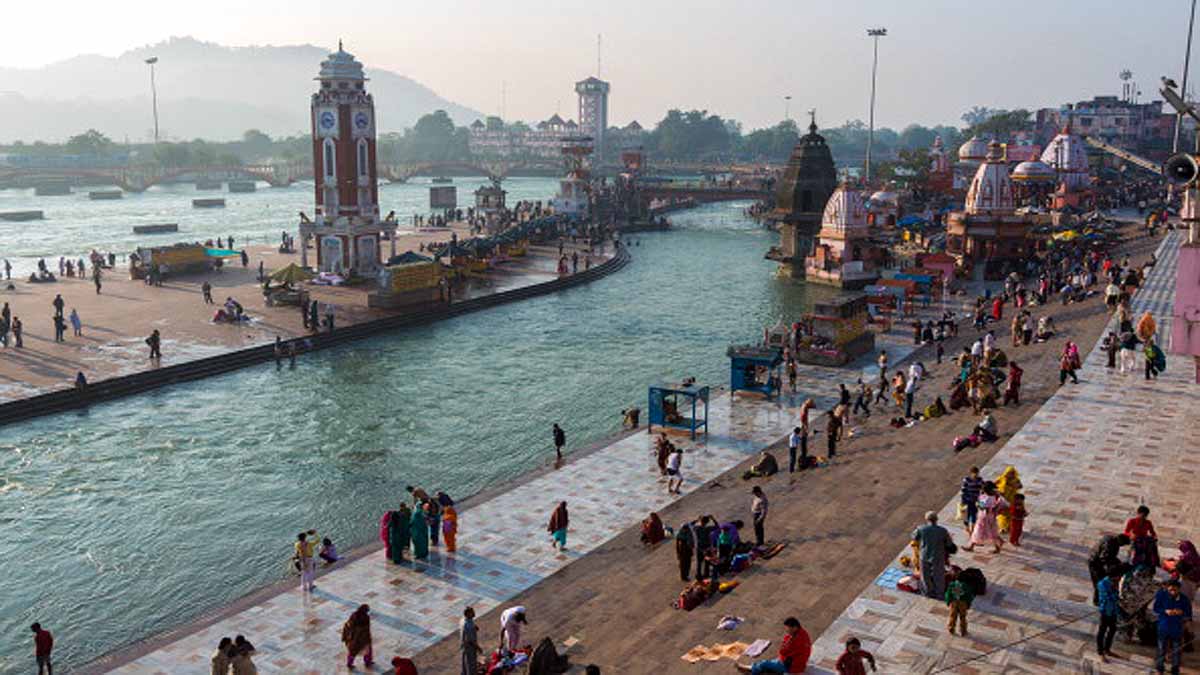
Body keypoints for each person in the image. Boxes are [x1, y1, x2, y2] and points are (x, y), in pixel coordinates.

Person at [735, 616, 811, 674]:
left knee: (764, 663)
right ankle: (753, 667)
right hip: (798, 663)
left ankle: (751, 670)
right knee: (771, 662)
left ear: (794, 627)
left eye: (788, 629)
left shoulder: (795, 640)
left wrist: (787, 640)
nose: (787, 631)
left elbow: (782, 651)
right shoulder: (803, 633)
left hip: (792, 667)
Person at [912, 511, 955, 599]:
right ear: (936, 519)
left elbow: (914, 537)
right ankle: (940, 593)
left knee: (925, 575)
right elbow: (949, 544)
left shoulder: (921, 529)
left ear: (926, 519)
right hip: (938, 556)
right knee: (939, 575)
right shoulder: (942, 531)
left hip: (924, 555)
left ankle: (928, 592)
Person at [1154, 579, 1193, 674]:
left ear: (1179, 589)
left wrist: (1182, 613)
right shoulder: (1162, 595)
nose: (1172, 592)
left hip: (1177, 629)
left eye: (1175, 590)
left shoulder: (1184, 599)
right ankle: (1159, 668)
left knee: (1177, 651)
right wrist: (1165, 611)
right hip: (1163, 627)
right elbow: (1156, 608)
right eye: (1170, 590)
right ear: (1167, 588)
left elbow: (1188, 614)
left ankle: (1175, 669)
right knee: (1161, 649)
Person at [1088, 534, 1132, 604]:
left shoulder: (1111, 539)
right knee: (1099, 581)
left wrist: (1117, 562)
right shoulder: (1111, 545)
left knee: (1100, 581)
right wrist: (1113, 566)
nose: (1122, 546)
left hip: (1096, 560)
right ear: (1121, 541)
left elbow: (1110, 556)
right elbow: (1104, 557)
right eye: (1123, 544)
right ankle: (1098, 601)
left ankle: (1099, 600)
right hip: (1095, 563)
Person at [964, 482, 1007, 554]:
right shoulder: (993, 496)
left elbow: (983, 507)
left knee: (979, 531)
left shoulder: (987, 498)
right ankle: (999, 543)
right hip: (989, 517)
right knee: (991, 532)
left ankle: (972, 547)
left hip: (984, 518)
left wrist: (978, 504)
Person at [1096, 569, 1121, 663]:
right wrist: (1118, 595)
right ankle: (1100, 652)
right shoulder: (1102, 584)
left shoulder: (1115, 582)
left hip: (1114, 611)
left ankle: (1107, 649)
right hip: (1105, 611)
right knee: (1102, 632)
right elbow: (1108, 597)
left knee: (1113, 630)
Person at [341, 604, 374, 669]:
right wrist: (368, 638)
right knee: (368, 651)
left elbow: (348, 624)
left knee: (352, 652)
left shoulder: (354, 615)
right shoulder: (366, 617)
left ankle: (349, 663)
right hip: (362, 638)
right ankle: (367, 662)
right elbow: (366, 629)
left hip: (353, 638)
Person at [994, 467, 1022, 532]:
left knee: (1010, 513)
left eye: (1012, 473)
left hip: (1012, 498)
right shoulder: (1002, 478)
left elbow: (1020, 486)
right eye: (1009, 473)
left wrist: (1015, 485)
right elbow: (994, 484)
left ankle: (1008, 526)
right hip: (1004, 498)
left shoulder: (1016, 480)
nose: (1010, 475)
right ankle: (1002, 527)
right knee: (1002, 513)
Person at [960, 467, 984, 536]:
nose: (975, 475)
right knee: (966, 515)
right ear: (971, 473)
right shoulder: (966, 480)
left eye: (977, 473)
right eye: (974, 473)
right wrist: (963, 501)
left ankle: (972, 530)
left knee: (974, 515)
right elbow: (963, 490)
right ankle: (967, 527)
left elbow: (983, 488)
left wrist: (981, 501)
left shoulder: (980, 480)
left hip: (975, 501)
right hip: (967, 500)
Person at [460, 607, 480, 675]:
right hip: (470, 647)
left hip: (464, 646)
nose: (474, 613)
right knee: (471, 665)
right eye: (472, 612)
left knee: (464, 663)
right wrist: (478, 647)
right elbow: (469, 640)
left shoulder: (463, 620)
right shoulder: (468, 625)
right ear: (468, 614)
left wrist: (475, 627)